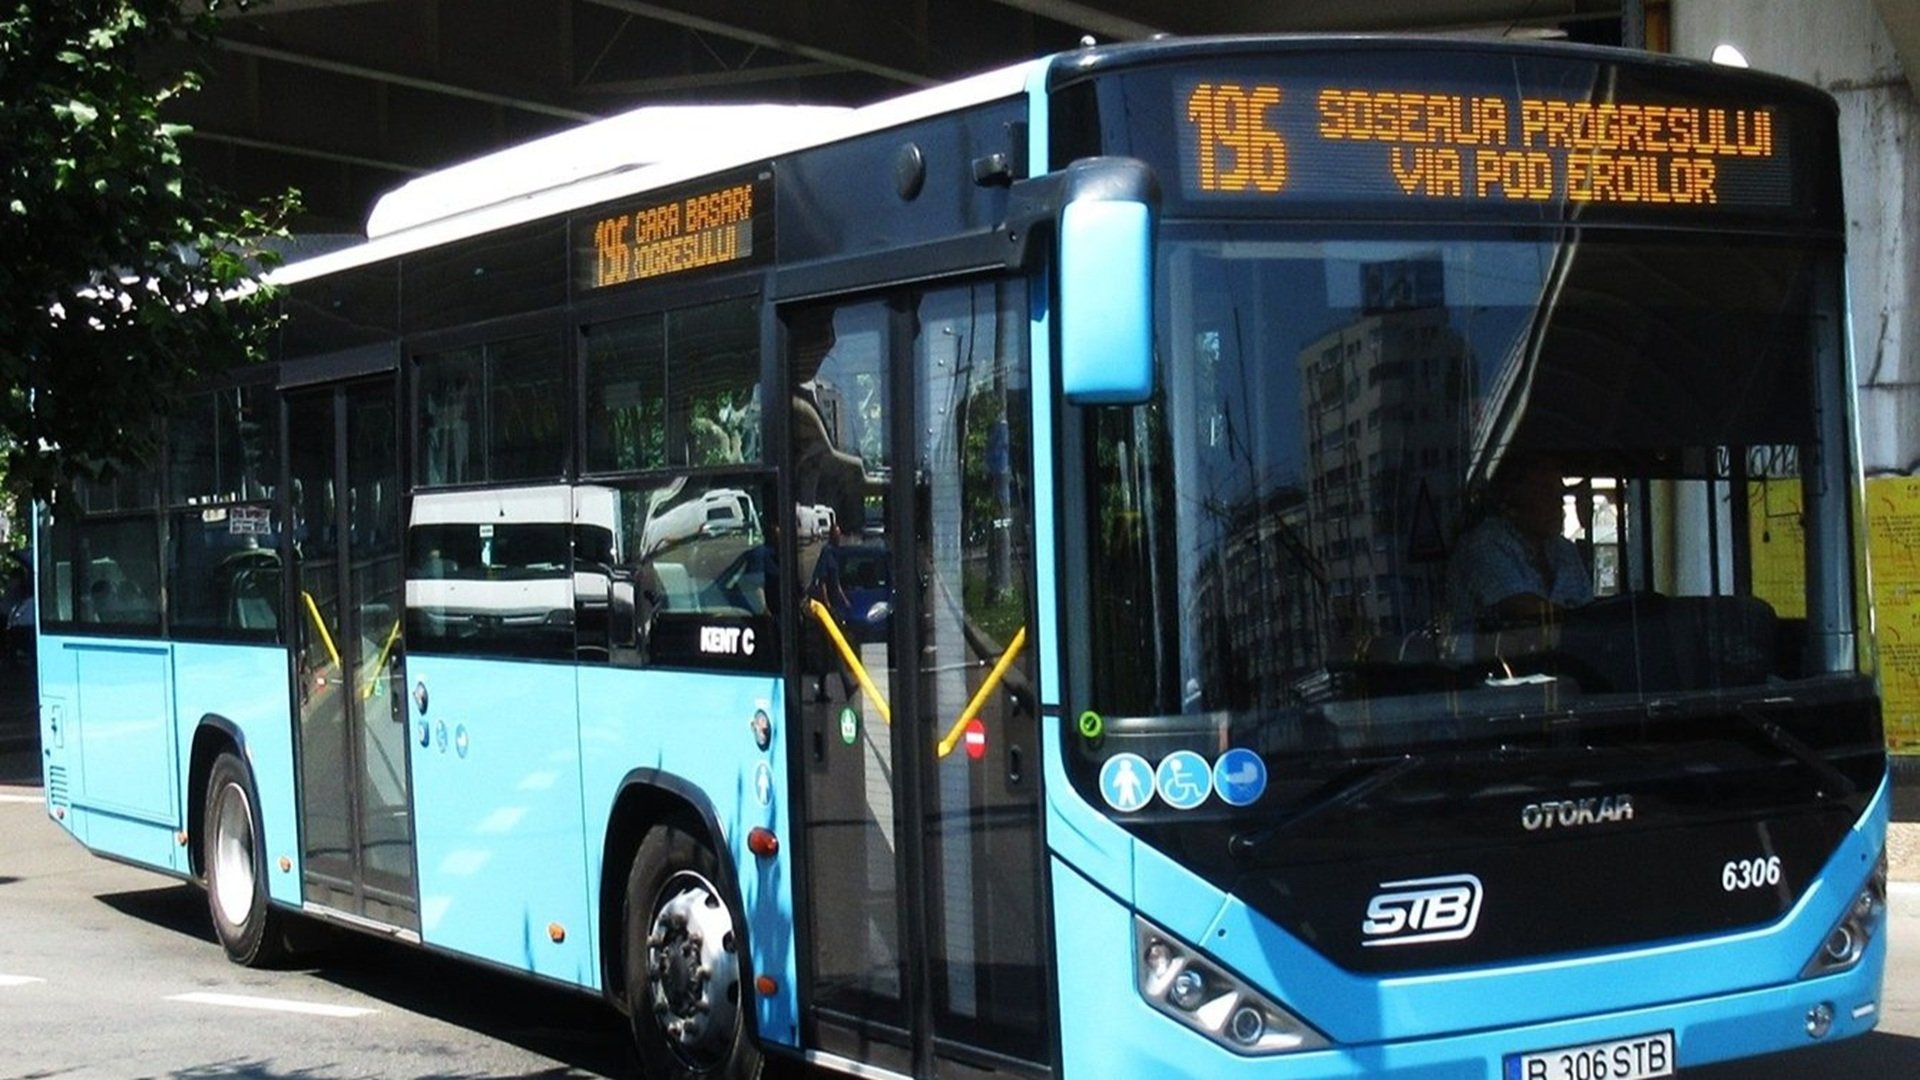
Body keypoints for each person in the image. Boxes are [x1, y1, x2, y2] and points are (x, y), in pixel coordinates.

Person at [1447, 455, 1592, 627]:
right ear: (1514, 499)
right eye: (1546, 493)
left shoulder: (1565, 551)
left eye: (1560, 494)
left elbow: (1588, 609)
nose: (1558, 502)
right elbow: (1519, 607)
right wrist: (1579, 621)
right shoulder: (1483, 544)